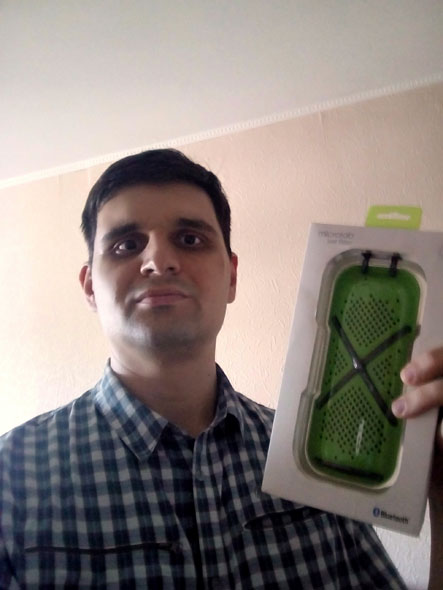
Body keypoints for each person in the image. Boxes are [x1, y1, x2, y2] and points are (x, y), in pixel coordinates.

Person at [0, 148, 441, 589]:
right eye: (126, 245)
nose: (159, 261)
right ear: (90, 287)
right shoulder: (11, 476)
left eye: (190, 240)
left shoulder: (312, 460)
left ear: (231, 276)